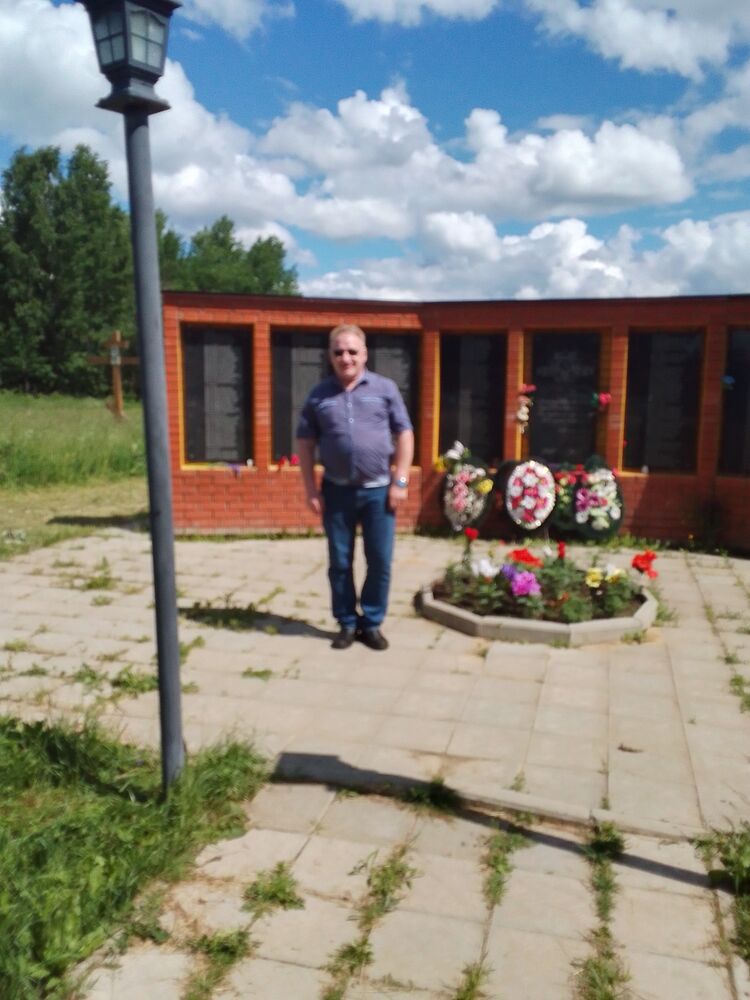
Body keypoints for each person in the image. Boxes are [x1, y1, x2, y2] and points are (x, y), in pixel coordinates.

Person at [296, 323, 414, 651]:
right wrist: (310, 490)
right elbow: (305, 443)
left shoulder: (385, 389)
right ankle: (347, 622)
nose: (345, 358)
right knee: (339, 561)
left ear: (364, 354)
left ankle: (372, 623)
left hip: (379, 493)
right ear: (330, 356)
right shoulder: (318, 395)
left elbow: (405, 434)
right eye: (339, 352)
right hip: (336, 492)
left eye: (352, 351)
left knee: (380, 560)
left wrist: (401, 481)